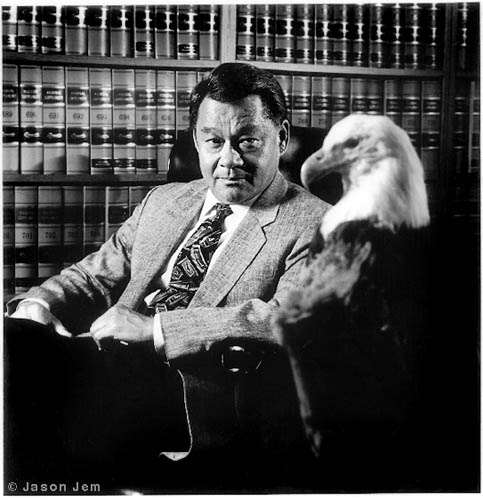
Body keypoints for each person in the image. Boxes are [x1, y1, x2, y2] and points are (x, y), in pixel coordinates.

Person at [5, 63, 330, 491]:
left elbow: (287, 319)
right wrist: (38, 305)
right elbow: (95, 273)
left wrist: (155, 328)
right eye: (214, 141)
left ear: (281, 137)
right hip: (101, 359)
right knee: (16, 341)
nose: (229, 160)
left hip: (190, 390)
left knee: (27, 378)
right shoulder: (164, 201)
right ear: (196, 141)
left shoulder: (317, 223)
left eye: (248, 141)